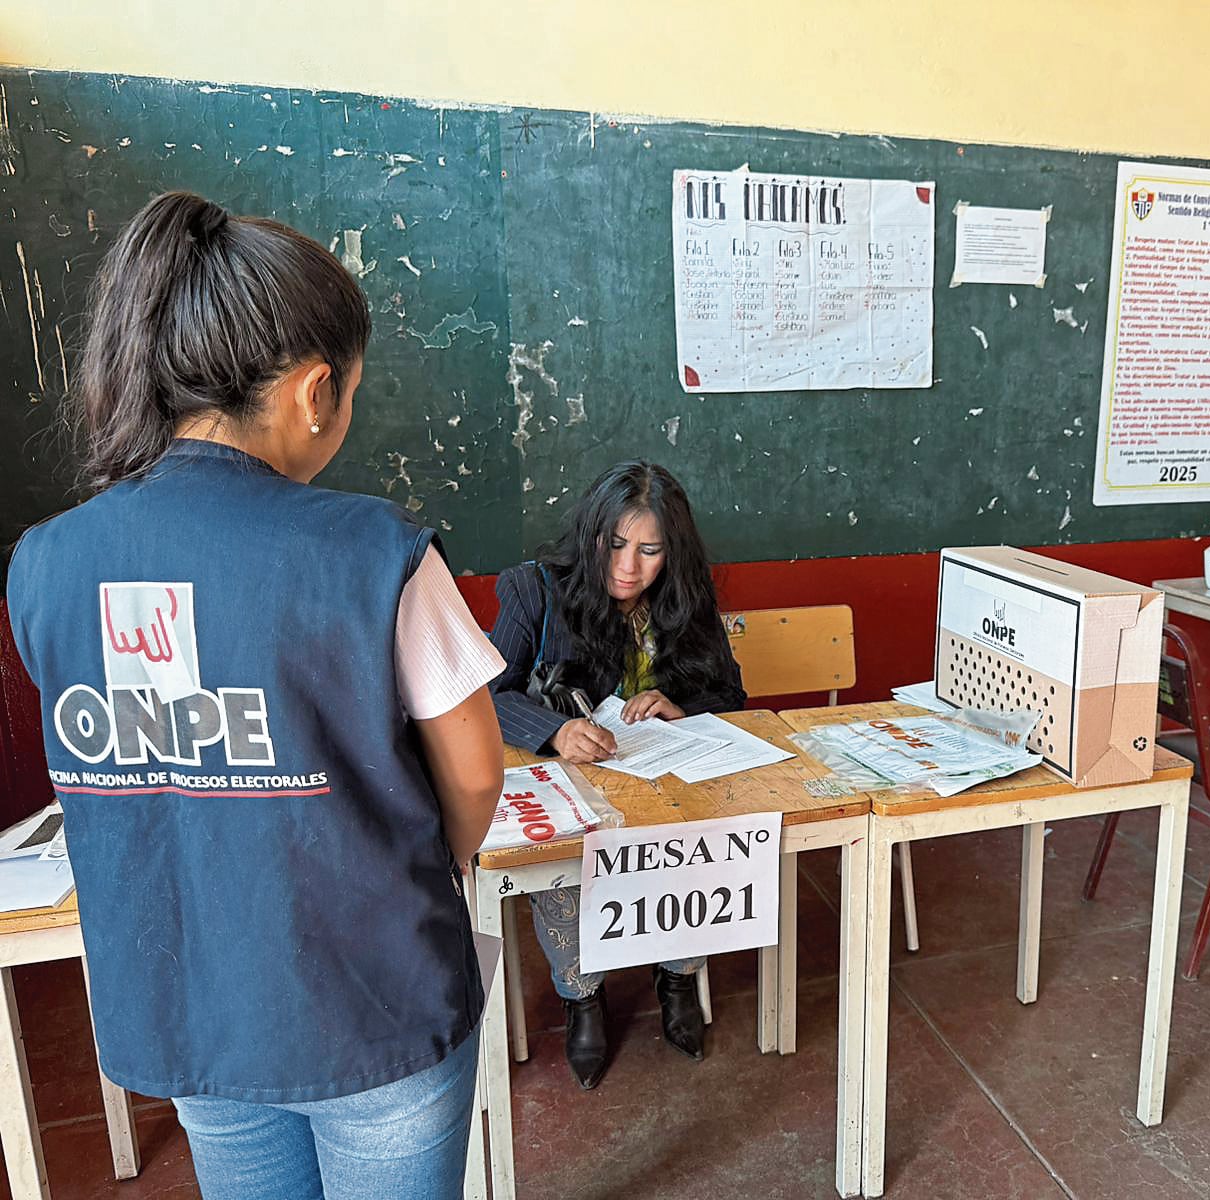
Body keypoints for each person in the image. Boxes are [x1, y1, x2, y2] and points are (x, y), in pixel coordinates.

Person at [6, 191, 508, 1200]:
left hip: (191, 1013)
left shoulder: (45, 564)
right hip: (371, 1004)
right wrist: (428, 870)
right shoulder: (375, 552)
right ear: (317, 390)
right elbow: (476, 773)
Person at [487, 460, 745, 1089]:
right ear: (591, 535)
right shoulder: (534, 590)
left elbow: (732, 697)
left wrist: (682, 707)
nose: (629, 567)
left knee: (700, 847)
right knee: (563, 866)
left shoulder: (687, 600)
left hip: (664, 783)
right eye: (616, 544)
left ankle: (678, 978)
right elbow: (485, 695)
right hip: (574, 787)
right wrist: (554, 731)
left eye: (650, 551)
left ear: (672, 553)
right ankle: (583, 997)